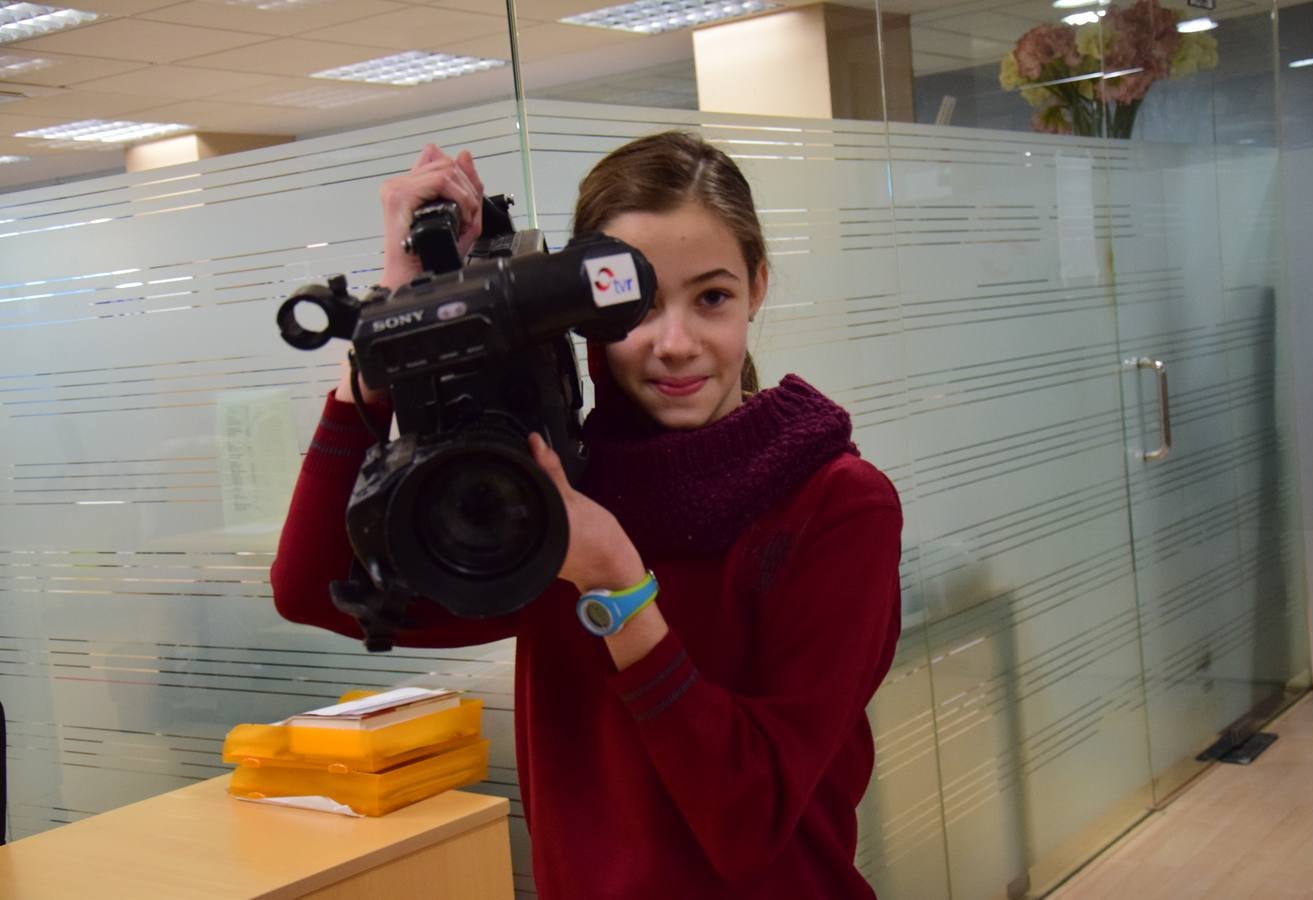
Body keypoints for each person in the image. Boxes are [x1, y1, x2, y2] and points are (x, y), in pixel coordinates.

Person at [271, 131, 902, 899]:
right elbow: (314, 586)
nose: (675, 344)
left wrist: (616, 586)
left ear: (758, 287)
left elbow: (749, 820)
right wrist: (387, 336)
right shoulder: (550, 491)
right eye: (638, 306)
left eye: (712, 298)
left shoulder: (835, 503)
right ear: (585, 311)